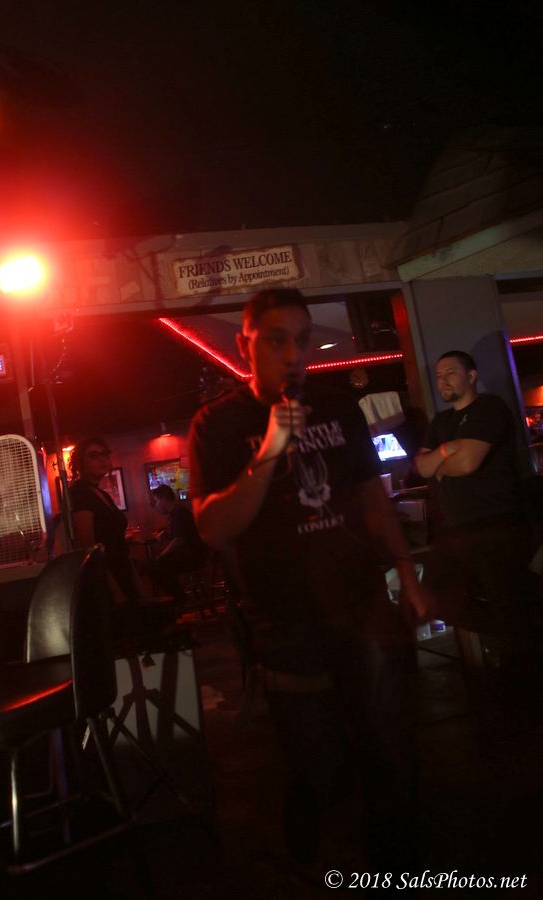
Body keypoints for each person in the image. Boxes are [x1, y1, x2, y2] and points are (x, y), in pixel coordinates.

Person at [188, 288, 431, 872]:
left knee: (389, 746)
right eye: (276, 341)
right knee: (317, 763)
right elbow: (214, 528)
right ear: (245, 345)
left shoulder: (338, 408)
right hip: (284, 617)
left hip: (360, 600)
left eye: (302, 340)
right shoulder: (217, 424)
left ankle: (398, 870)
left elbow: (371, 497)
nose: (294, 354)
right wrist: (270, 449)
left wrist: (406, 572)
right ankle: (323, 864)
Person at [414, 351, 537, 708]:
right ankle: (525, 631)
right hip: (458, 528)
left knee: (506, 603)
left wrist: (440, 462)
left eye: (451, 372)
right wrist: (446, 451)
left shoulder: (489, 408)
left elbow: (467, 463)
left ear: (471, 376)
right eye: (439, 375)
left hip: (496, 522)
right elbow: (421, 468)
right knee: (435, 598)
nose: (443, 380)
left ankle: (523, 688)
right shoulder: (441, 421)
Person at [68, 437, 143, 605]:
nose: (102, 459)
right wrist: (113, 588)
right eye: (94, 455)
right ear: (80, 463)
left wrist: (135, 579)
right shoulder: (80, 493)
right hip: (106, 577)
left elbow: (117, 542)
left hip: (121, 569)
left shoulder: (102, 495)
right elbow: (88, 545)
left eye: (104, 454)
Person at [144, 484, 208, 605]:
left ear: (163, 499)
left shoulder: (179, 512)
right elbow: (182, 534)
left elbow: (179, 540)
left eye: (156, 501)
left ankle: (178, 598)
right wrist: (166, 534)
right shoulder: (178, 511)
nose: (156, 506)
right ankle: (177, 597)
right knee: (156, 565)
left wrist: (162, 555)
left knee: (155, 566)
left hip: (194, 556)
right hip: (195, 553)